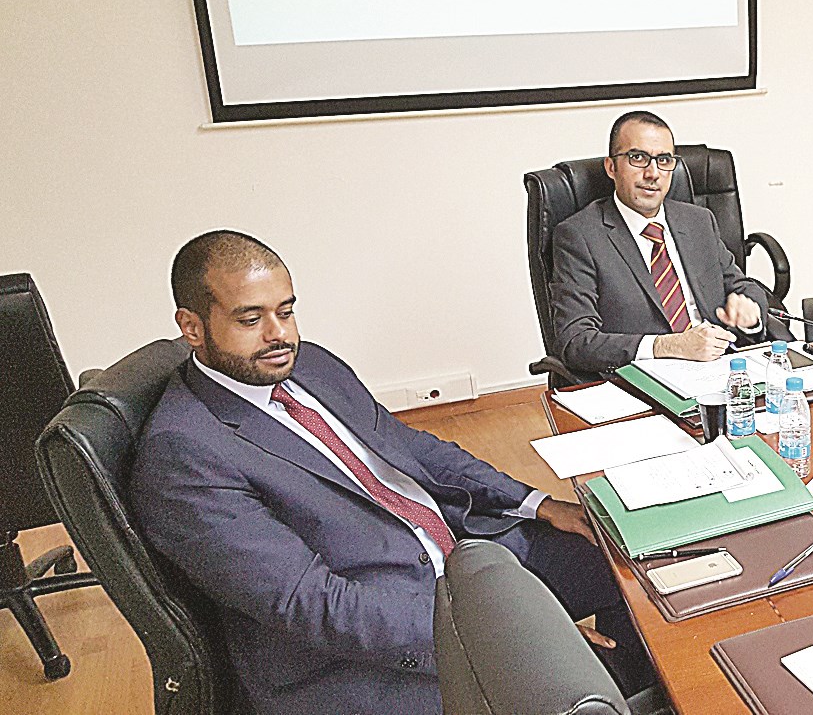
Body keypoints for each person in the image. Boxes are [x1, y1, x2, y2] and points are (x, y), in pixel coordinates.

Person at [129, 231, 655, 715]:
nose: (279, 335)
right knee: (551, 680)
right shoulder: (184, 452)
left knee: (628, 561)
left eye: (286, 312)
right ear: (192, 327)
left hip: (457, 559)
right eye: (251, 320)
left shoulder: (309, 365)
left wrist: (537, 504)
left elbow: (410, 447)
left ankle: (635, 689)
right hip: (370, 648)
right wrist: (508, 641)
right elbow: (313, 604)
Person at [550, 110, 769, 375]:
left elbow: (742, 286)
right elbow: (575, 340)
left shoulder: (698, 221)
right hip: (645, 378)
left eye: (664, 160)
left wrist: (748, 312)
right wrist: (669, 346)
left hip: (721, 369)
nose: (653, 173)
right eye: (638, 158)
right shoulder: (579, 236)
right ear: (611, 167)